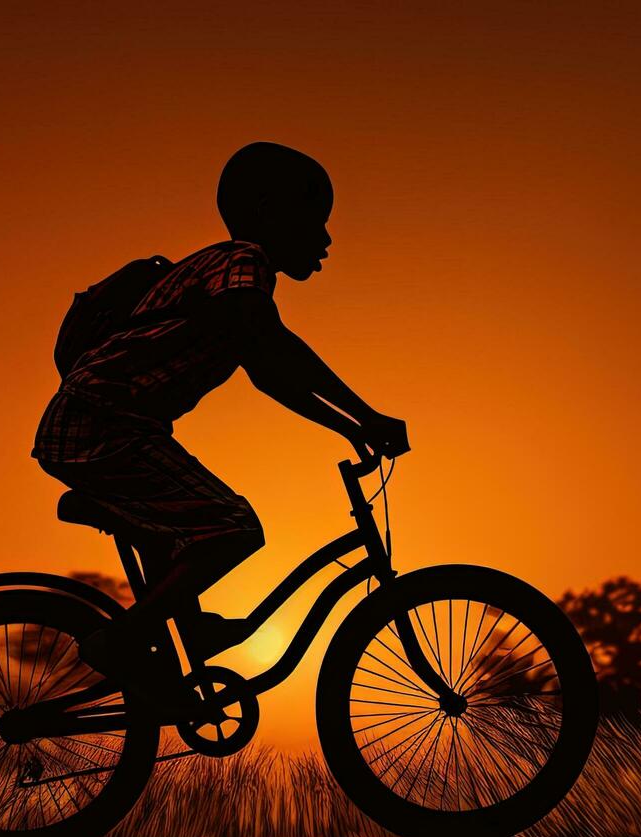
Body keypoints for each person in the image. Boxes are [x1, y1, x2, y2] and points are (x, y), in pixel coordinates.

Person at [32, 141, 408, 716]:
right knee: (232, 528)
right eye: (316, 220)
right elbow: (274, 346)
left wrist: (349, 425)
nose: (327, 239)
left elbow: (270, 374)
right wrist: (369, 416)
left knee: (190, 532)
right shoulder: (241, 262)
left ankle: (180, 645)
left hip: (108, 424)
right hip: (101, 424)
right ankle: (122, 641)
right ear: (266, 213)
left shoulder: (233, 279)